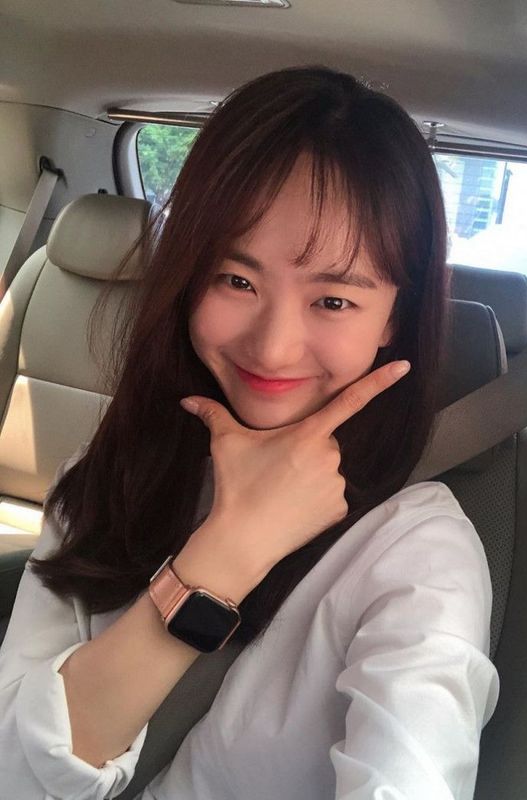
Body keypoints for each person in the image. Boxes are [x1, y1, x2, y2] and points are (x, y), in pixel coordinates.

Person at [0, 65, 499, 800]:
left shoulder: (417, 550)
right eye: (237, 281)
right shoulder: (104, 474)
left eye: (333, 300)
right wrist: (228, 552)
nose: (272, 347)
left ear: (394, 318)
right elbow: (14, 774)